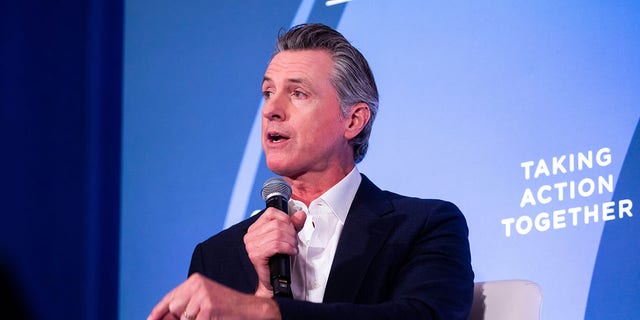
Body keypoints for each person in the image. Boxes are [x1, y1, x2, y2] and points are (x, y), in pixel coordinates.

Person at [148, 23, 474, 320]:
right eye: (267, 92)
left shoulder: (424, 226)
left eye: (298, 93)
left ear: (353, 120)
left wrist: (266, 311)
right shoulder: (217, 256)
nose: (271, 110)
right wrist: (263, 292)